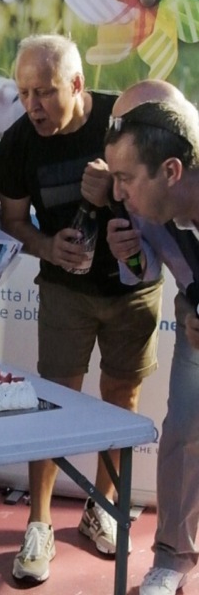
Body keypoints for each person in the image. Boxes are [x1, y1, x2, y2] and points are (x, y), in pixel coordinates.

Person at [0, 34, 163, 583]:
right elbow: (13, 221)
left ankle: (102, 506)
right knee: (52, 403)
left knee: (121, 400)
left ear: (77, 84)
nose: (33, 105)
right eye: (24, 93)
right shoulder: (17, 144)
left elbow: (166, 197)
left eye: (45, 92)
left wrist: (115, 188)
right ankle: (39, 523)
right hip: (65, 291)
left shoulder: (122, 122)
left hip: (132, 289)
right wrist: (48, 246)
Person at [105, 82, 199, 595]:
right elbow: (147, 271)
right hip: (194, 313)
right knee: (185, 428)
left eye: (125, 179)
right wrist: (130, 255)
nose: (118, 193)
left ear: (171, 169)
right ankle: (173, 556)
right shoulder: (145, 200)